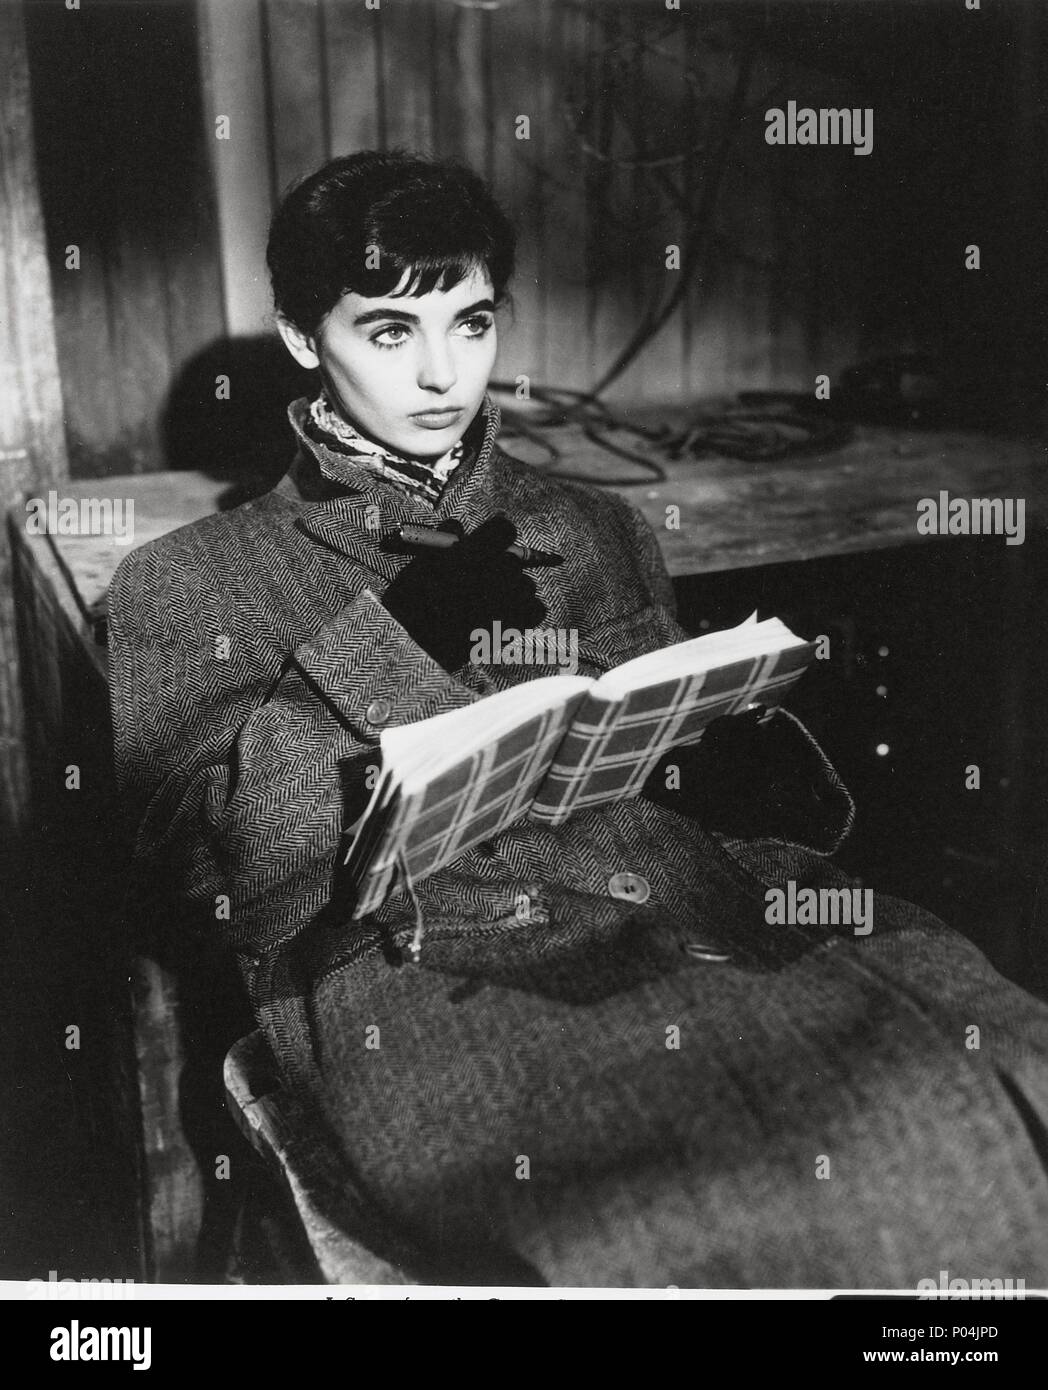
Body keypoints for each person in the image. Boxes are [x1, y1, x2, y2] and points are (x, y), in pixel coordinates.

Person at [108, 149, 1048, 1289]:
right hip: (441, 984)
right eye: (390, 332)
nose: (443, 374)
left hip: (712, 908)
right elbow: (202, 889)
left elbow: (695, 767)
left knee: (1000, 1082)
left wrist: (734, 744)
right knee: (696, 1214)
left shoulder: (593, 524)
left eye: (471, 322)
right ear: (305, 339)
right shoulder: (191, 580)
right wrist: (390, 641)